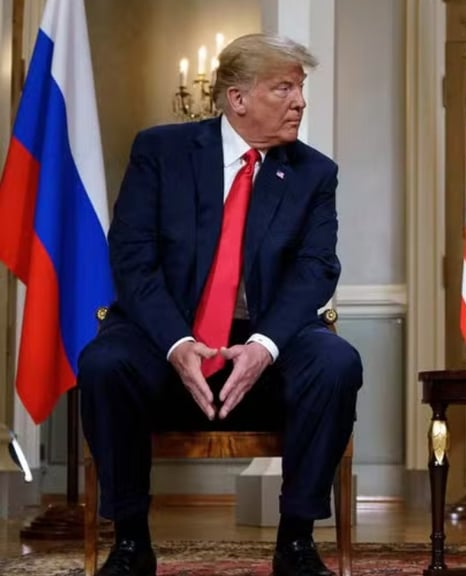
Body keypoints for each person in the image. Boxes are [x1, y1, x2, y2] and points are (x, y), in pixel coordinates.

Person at [78, 33, 361, 576]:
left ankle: (296, 543)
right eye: (284, 88)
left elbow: (316, 268)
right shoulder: (161, 151)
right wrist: (178, 343)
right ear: (237, 98)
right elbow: (133, 260)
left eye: (300, 88)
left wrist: (262, 346)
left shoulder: (313, 173)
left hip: (263, 346)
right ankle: (132, 542)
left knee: (336, 362)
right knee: (104, 363)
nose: (300, 101)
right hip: (167, 341)